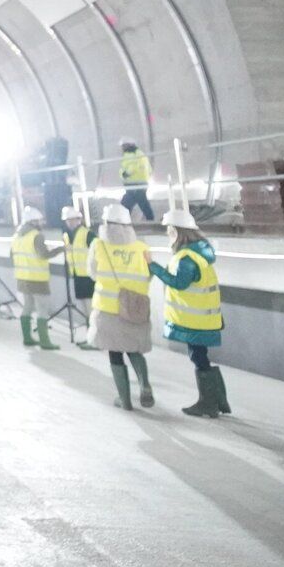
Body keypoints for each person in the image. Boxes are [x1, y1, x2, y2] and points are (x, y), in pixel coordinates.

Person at [149, 209, 230, 418]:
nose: (168, 235)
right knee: (201, 356)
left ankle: (208, 403)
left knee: (199, 357)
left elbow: (179, 283)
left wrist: (153, 267)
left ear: (177, 232)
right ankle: (218, 401)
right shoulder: (200, 252)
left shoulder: (187, 258)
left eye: (169, 231)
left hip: (195, 320)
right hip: (205, 318)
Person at [88, 205, 154, 409]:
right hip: (135, 306)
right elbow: (150, 273)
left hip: (108, 307)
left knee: (115, 352)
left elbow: (92, 272)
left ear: (106, 224)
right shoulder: (142, 247)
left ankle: (125, 400)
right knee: (134, 348)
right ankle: (145, 385)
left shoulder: (98, 245)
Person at [11, 207, 59, 349]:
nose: (41, 223)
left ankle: (27, 338)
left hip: (22, 278)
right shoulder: (36, 236)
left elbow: (11, 256)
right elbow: (43, 255)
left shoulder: (17, 236)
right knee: (42, 309)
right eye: (39, 221)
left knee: (27, 306)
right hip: (37, 279)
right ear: (33, 221)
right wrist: (60, 250)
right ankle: (45, 341)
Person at [57, 205, 97, 349]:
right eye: (68, 220)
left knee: (92, 310)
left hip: (89, 277)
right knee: (87, 310)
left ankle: (95, 340)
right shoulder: (67, 236)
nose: (70, 223)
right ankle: (90, 338)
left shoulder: (88, 234)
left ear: (79, 219)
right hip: (78, 277)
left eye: (72, 220)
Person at [117, 139, 154, 222]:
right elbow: (150, 170)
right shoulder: (141, 154)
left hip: (133, 184)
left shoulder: (129, 155)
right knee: (140, 201)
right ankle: (150, 219)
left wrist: (125, 174)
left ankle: (122, 221)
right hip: (142, 183)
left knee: (129, 203)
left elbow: (132, 167)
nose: (122, 148)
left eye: (123, 146)